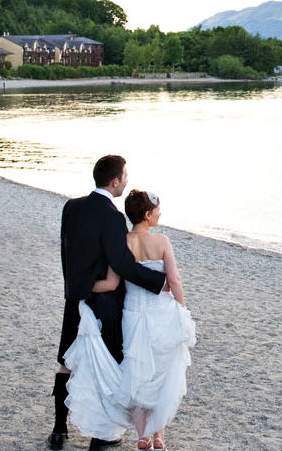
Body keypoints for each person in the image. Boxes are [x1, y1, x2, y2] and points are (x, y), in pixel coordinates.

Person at [51, 155, 167, 450]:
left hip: (75, 296)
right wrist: (159, 282)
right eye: (125, 176)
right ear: (115, 181)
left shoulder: (71, 207)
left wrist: (75, 287)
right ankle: (102, 431)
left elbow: (67, 253)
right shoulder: (112, 217)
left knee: (67, 362)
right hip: (104, 303)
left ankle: (58, 428)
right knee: (107, 364)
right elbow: (123, 263)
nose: (127, 180)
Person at [65, 190, 195, 451]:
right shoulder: (162, 242)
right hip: (162, 314)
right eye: (157, 210)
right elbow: (174, 282)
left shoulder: (122, 242)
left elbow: (112, 283)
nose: (160, 214)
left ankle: (142, 436)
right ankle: (158, 435)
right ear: (148, 215)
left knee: (137, 373)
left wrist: (82, 287)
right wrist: (182, 311)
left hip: (133, 315)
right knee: (161, 371)